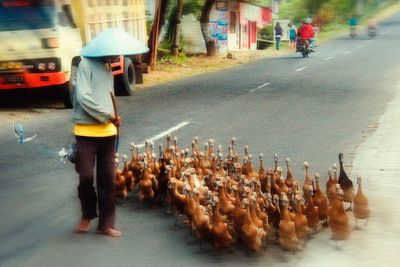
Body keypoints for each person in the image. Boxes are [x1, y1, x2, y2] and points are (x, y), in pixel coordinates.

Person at [72, 55, 122, 237]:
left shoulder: (108, 66)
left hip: (108, 133)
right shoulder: (85, 65)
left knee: (108, 180)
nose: (117, 55)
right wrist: (107, 115)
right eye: (114, 51)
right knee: (85, 176)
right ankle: (87, 214)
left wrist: (116, 118)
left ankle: (106, 224)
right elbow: (83, 97)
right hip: (85, 133)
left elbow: (108, 99)